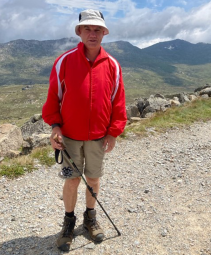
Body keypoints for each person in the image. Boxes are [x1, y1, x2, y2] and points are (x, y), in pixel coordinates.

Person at [42, 9, 127, 251]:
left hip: (99, 137)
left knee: (93, 179)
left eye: (97, 29)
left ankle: (90, 218)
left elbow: (117, 102)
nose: (92, 33)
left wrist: (113, 132)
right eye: (87, 29)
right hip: (69, 137)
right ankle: (69, 222)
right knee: (72, 181)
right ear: (79, 32)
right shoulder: (64, 62)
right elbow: (53, 99)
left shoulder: (112, 65)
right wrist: (55, 127)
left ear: (104, 33)